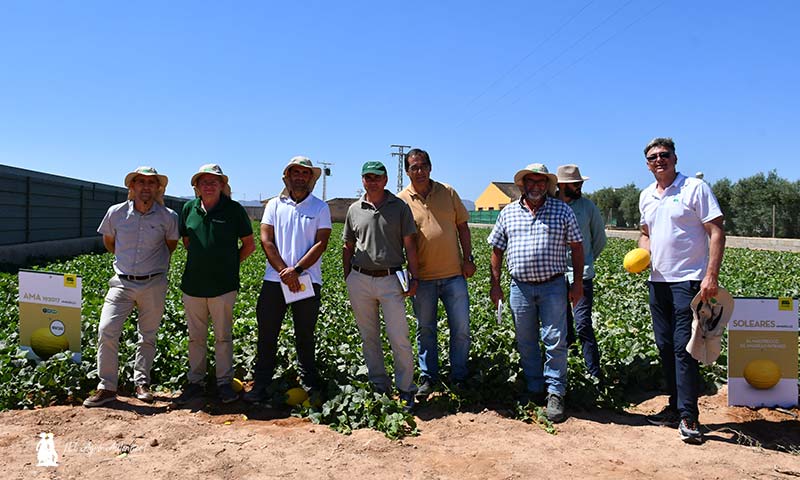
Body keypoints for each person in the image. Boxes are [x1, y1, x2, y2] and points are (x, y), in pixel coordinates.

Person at [638, 137, 724, 444]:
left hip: (688, 281)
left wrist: (710, 276)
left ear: (675, 158)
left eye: (664, 155)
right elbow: (645, 233)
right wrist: (641, 253)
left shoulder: (694, 189)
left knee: (683, 348)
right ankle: (674, 407)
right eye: (653, 157)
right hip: (657, 282)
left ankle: (689, 416)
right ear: (647, 164)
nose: (659, 160)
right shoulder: (646, 195)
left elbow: (716, 232)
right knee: (664, 346)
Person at [487, 163, 584, 423]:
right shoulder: (508, 213)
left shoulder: (561, 210)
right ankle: (534, 387)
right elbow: (496, 249)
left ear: (548, 186)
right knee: (526, 339)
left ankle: (555, 391)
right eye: (531, 182)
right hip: (519, 287)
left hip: (553, 285)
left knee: (555, 339)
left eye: (541, 183)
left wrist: (577, 284)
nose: (536, 187)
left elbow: (577, 247)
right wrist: (495, 284)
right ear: (523, 185)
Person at [83, 166, 179, 407]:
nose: (146, 187)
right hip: (121, 282)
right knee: (107, 329)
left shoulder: (168, 217)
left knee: (147, 336)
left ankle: (142, 383)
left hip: (154, 282)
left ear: (158, 188)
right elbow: (109, 242)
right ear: (132, 187)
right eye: (140, 182)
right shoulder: (115, 213)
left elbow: (171, 245)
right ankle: (106, 387)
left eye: (151, 183)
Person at [244, 156, 332, 403]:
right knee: (267, 334)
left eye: (305, 173)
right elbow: (266, 240)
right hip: (275, 280)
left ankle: (309, 382)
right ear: (287, 177)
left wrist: (298, 270)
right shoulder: (273, 205)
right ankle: (261, 383)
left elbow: (321, 242)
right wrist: (285, 271)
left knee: (305, 333)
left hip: (308, 279)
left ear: (311, 178)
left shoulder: (320, 207)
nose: (300, 177)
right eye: (296, 172)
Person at [175, 164, 255, 405]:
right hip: (193, 286)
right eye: (204, 182)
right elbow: (187, 241)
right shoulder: (188, 208)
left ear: (222, 185)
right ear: (196, 187)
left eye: (214, 181)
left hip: (223, 286)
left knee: (223, 337)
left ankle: (224, 383)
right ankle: (196, 382)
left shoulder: (234, 210)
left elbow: (249, 245)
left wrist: (229, 264)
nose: (209, 185)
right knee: (195, 338)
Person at [396, 148, 474, 399]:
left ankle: (459, 375)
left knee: (461, 327)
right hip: (423, 279)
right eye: (413, 167)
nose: (419, 171)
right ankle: (429, 376)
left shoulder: (448, 192)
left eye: (423, 166)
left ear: (430, 167)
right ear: (407, 171)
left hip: (454, 275)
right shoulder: (401, 201)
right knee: (425, 329)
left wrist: (468, 258)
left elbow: (463, 227)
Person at [343, 161, 420, 411]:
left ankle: (406, 389)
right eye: (367, 177)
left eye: (377, 177)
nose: (372, 181)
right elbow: (348, 246)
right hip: (360, 279)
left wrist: (414, 277)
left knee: (399, 337)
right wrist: (348, 277)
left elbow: (410, 244)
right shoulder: (355, 209)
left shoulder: (399, 207)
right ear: (362, 180)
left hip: (391, 279)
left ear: (385, 179)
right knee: (369, 338)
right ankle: (379, 385)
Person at [556, 164, 607, 380]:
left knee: (583, 324)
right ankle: (572, 368)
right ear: (562, 185)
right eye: (575, 184)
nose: (580, 186)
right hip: (556, 275)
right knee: (562, 325)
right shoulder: (551, 205)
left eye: (580, 183)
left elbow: (600, 240)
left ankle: (593, 373)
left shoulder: (588, 207)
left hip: (581, 275)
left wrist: (584, 261)